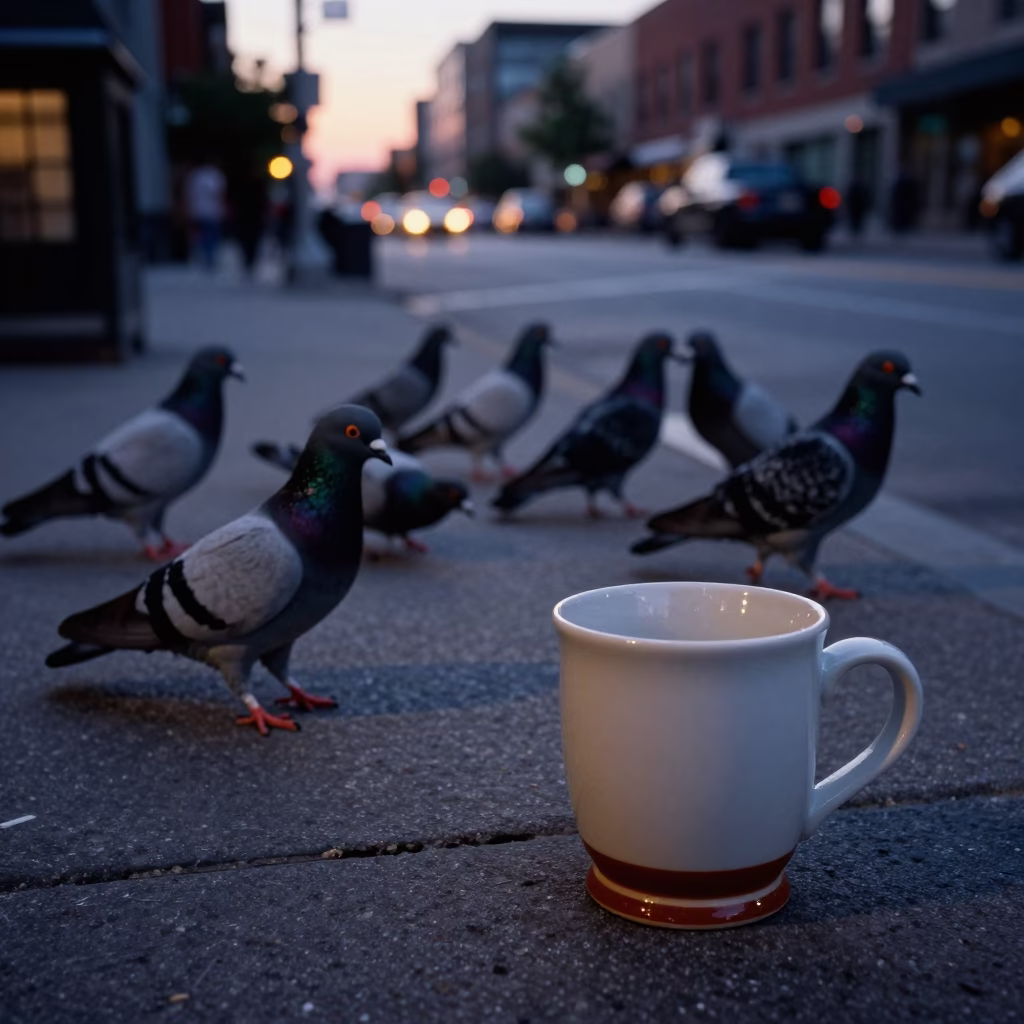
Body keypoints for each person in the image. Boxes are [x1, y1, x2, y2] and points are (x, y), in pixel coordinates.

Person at [185, 161, 227, 270]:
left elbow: (190, 195)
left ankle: (206, 257)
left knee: (205, 235)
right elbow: (220, 194)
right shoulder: (215, 175)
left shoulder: (196, 176)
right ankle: (209, 258)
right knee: (210, 235)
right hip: (211, 211)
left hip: (200, 210)